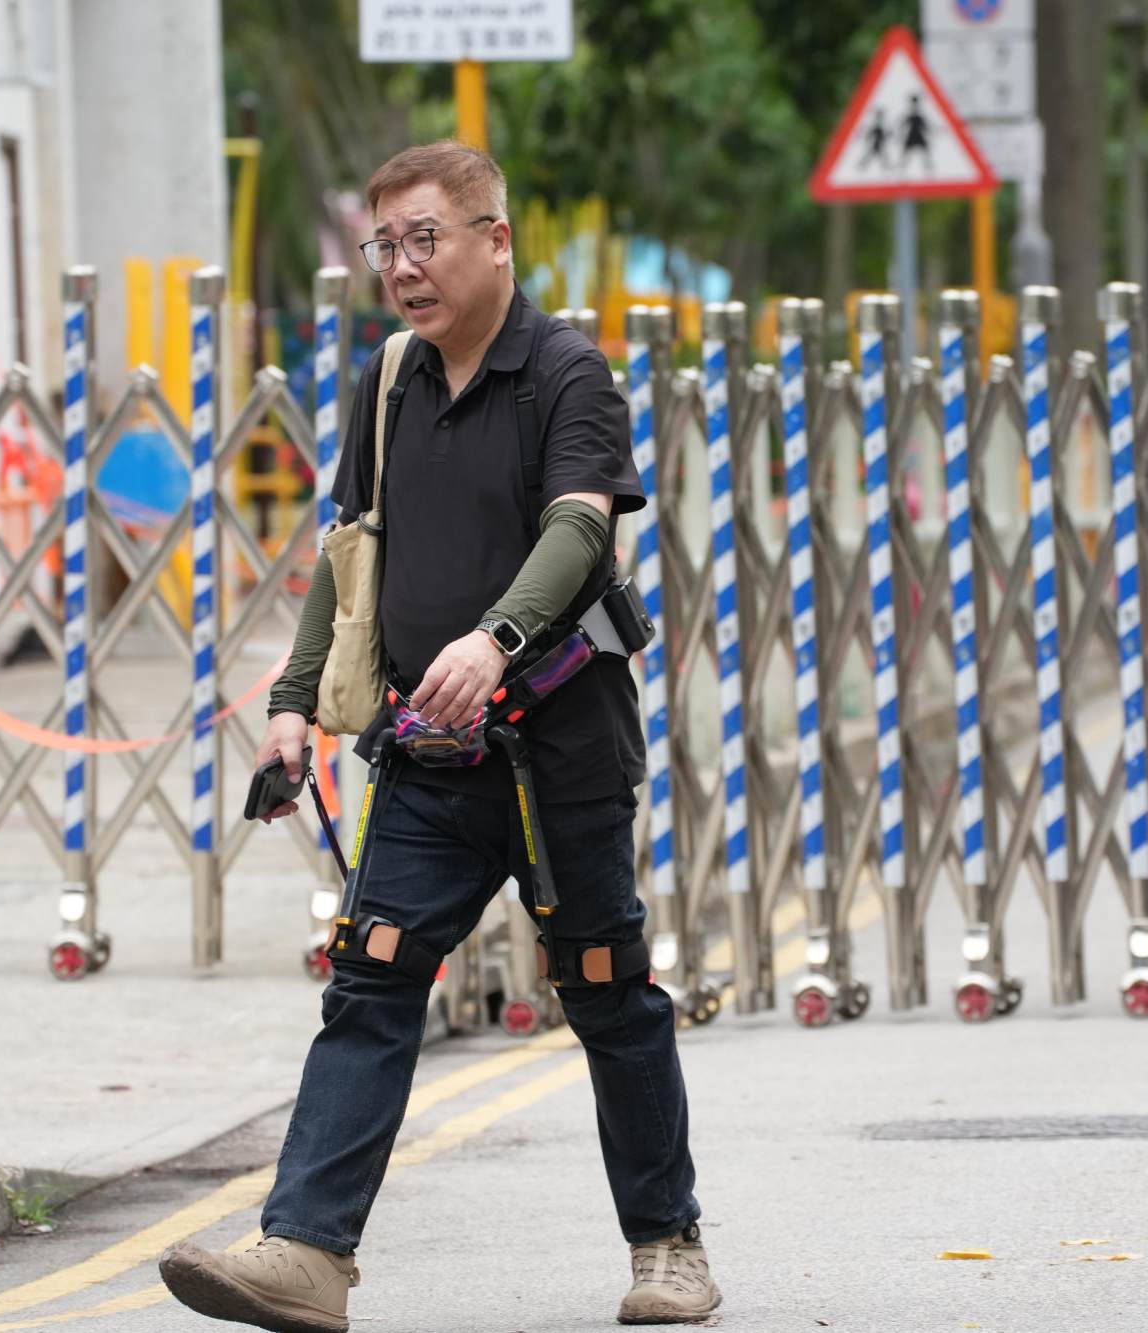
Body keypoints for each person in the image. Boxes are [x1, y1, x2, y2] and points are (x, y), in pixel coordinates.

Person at [157, 140, 721, 1331]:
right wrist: (293, 703)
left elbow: (580, 533)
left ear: (493, 239)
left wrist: (496, 640)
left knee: (607, 991)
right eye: (385, 247)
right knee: (367, 983)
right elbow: (350, 552)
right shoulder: (392, 376)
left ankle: (668, 1244)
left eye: (426, 240)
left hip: (556, 749)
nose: (404, 269)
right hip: (424, 754)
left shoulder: (566, 374)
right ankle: (304, 1253)